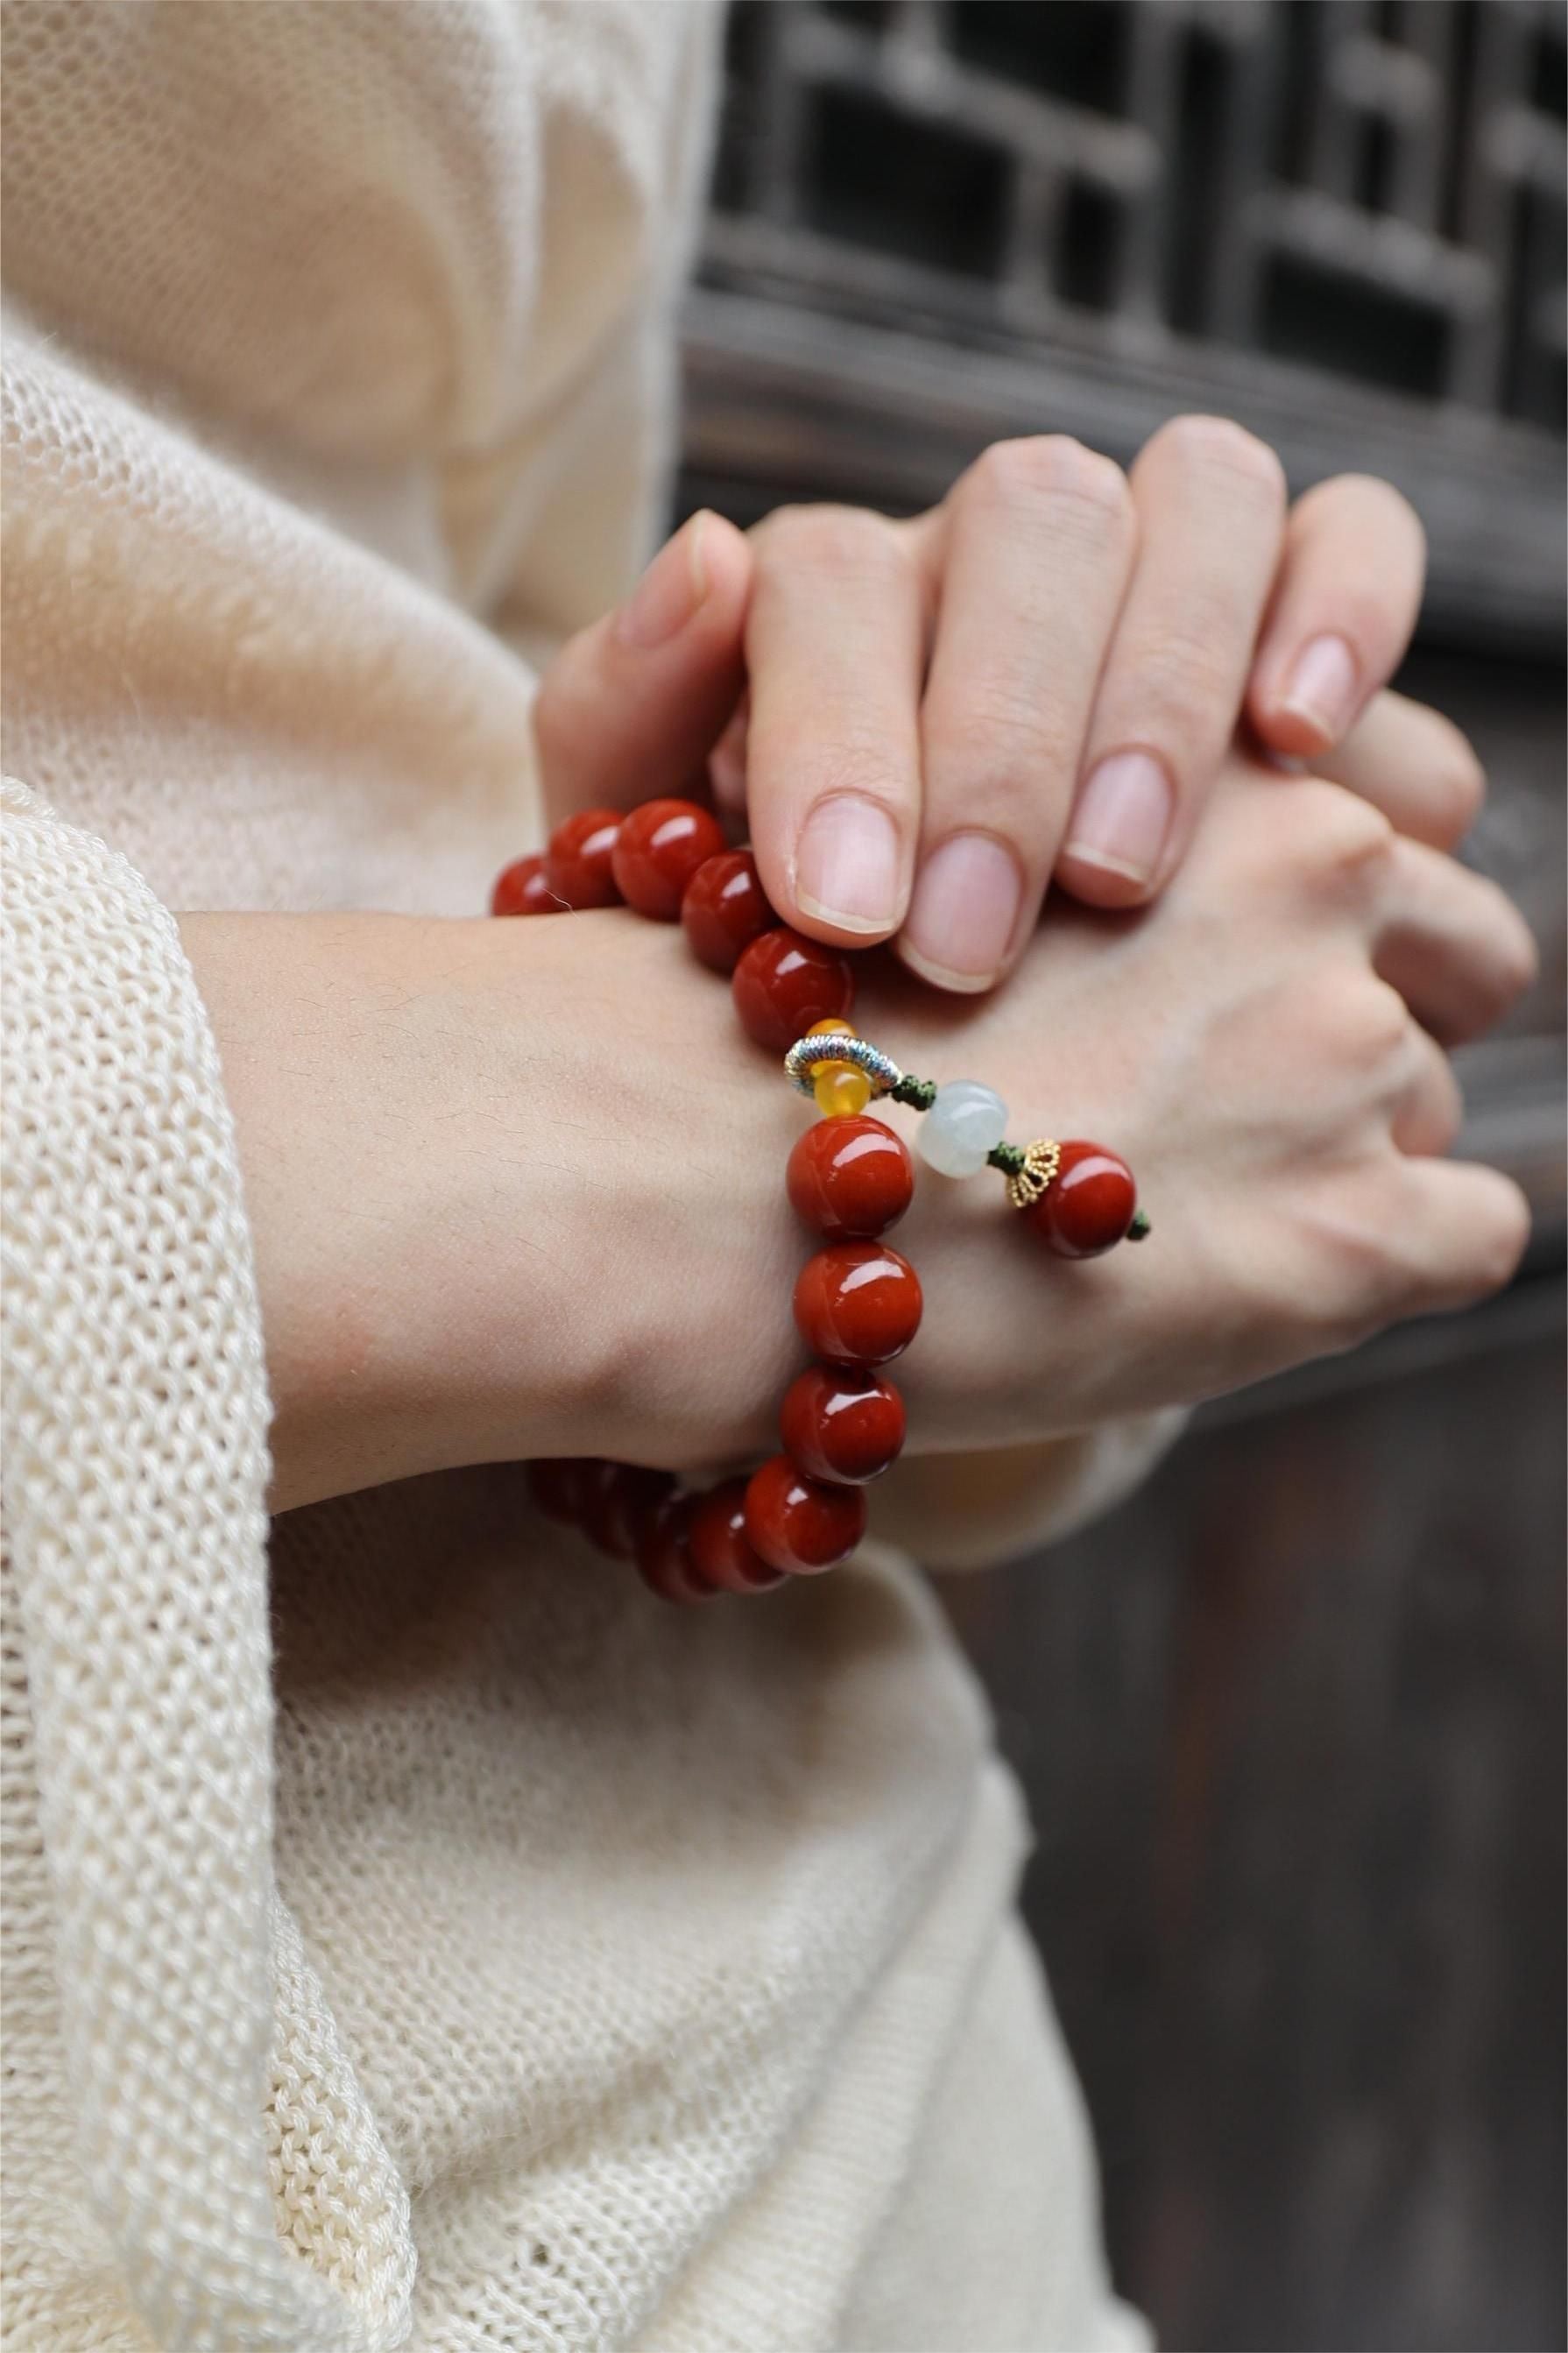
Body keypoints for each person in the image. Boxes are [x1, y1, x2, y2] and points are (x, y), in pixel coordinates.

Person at [0, 6, 1535, 2349]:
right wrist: (691, 1148)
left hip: (895, 2140)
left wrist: (913, 807)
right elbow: (638, 1132)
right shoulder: (836, 1159)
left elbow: (430, 722)